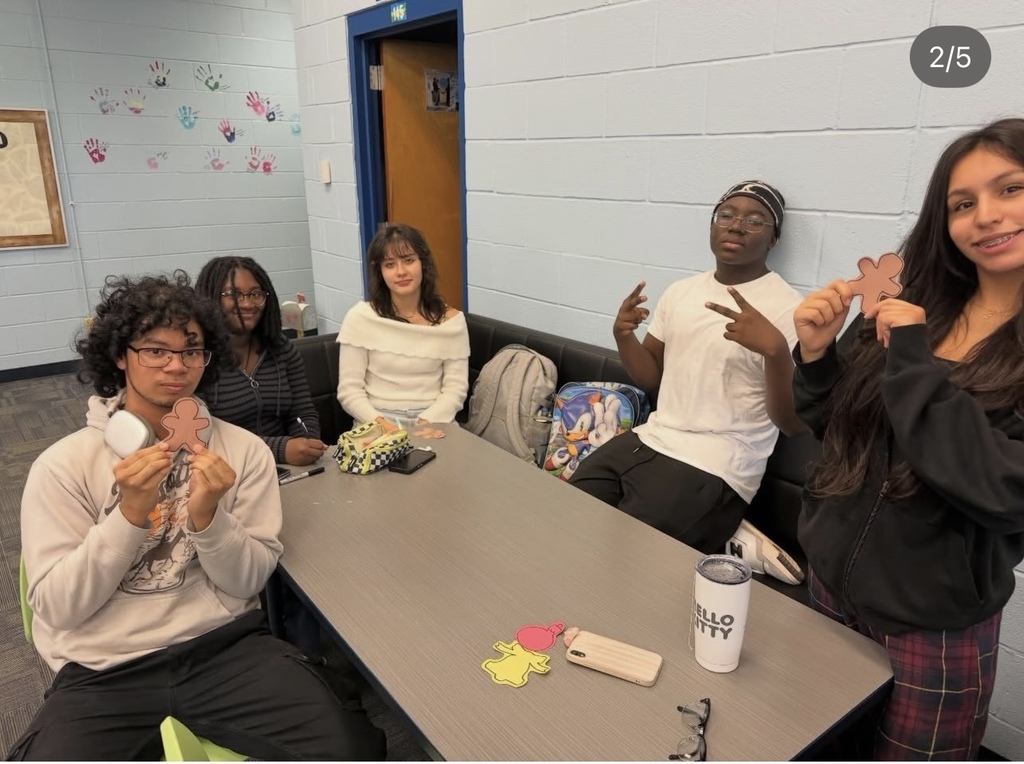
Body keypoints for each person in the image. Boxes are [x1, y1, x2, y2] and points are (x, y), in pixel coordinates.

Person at [9, 272, 384, 761]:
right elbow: (57, 609)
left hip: (224, 648)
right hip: (104, 669)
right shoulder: (62, 466)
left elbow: (247, 580)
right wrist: (127, 517)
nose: (176, 366)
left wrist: (210, 519)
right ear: (121, 355)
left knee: (350, 746)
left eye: (191, 351)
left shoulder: (242, 452)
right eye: (155, 350)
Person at [792, 118, 1024, 760]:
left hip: (934, 625)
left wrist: (915, 363)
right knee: (816, 742)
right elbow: (840, 431)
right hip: (828, 587)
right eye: (963, 203)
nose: (987, 215)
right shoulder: (912, 305)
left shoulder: (913, 334)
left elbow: (1003, 490)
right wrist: (815, 358)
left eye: (1011, 189)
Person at [569, 181, 806, 582]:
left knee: (628, 569)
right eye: (726, 216)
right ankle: (727, 535)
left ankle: (724, 525)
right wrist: (623, 336)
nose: (736, 227)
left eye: (755, 221)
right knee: (567, 522)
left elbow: (793, 423)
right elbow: (651, 379)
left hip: (716, 462)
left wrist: (776, 351)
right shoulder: (682, 292)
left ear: (773, 238)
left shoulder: (789, 308)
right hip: (651, 439)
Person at [195, 256, 326, 466]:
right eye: (233, 294)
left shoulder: (281, 348)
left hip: (288, 469)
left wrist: (307, 440)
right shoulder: (196, 359)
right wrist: (279, 450)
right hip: (227, 471)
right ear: (210, 298)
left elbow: (302, 411)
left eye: (256, 294)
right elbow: (205, 437)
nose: (247, 304)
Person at [337, 223, 470, 426]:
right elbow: (349, 391)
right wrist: (383, 424)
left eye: (408, 261)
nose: (401, 271)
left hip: (435, 420)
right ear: (380, 271)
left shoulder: (451, 322)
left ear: (423, 263)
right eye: (389, 264)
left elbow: (455, 390)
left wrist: (426, 422)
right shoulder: (360, 318)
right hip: (376, 421)